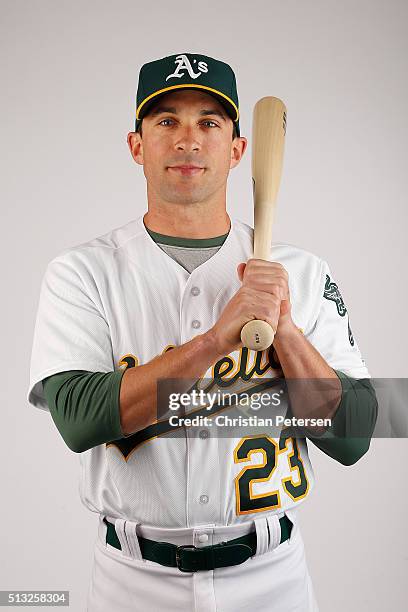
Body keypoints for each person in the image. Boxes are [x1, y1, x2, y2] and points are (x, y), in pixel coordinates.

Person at [27, 52, 378, 612]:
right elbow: (78, 419)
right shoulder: (83, 272)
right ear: (136, 146)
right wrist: (215, 342)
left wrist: (286, 330)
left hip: (273, 577)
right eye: (166, 121)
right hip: (130, 580)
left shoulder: (301, 272)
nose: (187, 139)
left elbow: (353, 435)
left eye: (208, 123)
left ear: (238, 149)